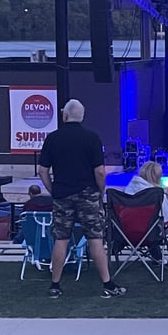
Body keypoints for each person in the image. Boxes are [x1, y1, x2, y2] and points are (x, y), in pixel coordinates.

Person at [38, 99, 125, 299]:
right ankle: (107, 283)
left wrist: (53, 190)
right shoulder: (91, 138)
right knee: (95, 239)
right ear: (82, 117)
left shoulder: (53, 138)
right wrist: (100, 192)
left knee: (61, 239)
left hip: (62, 194)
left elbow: (43, 170)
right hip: (88, 194)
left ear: (65, 116)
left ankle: (55, 285)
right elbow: (100, 171)